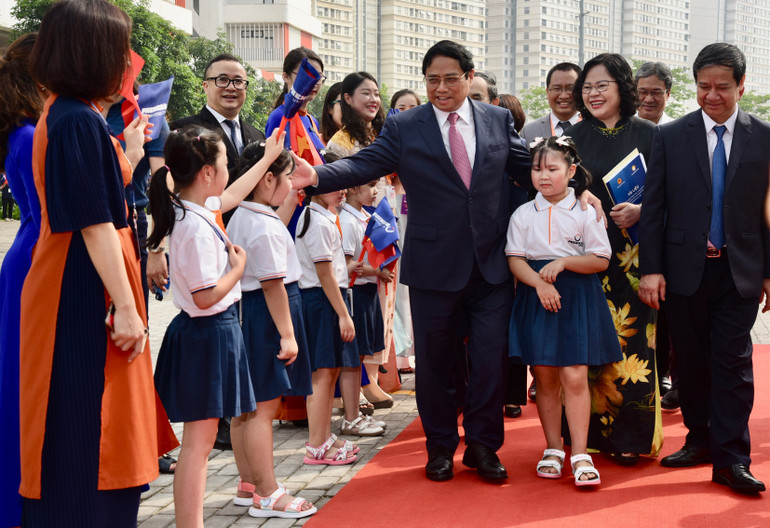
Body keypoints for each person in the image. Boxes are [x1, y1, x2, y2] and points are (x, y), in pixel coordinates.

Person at [292, 40, 536, 482]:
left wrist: (577, 187)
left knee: (488, 362)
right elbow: (365, 163)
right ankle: (440, 447)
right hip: (434, 266)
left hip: (490, 267)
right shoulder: (407, 126)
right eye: (431, 80)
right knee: (437, 364)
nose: (440, 88)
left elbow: (529, 168)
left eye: (449, 78)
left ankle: (483, 447)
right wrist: (318, 176)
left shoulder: (497, 120)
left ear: (468, 75)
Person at [19, 2, 178, 525]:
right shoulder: (75, 120)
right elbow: (93, 224)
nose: (127, 64)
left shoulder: (72, 115)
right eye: (118, 49)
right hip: (82, 289)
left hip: (77, 279)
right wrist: (129, 307)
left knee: (88, 435)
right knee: (89, 437)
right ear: (91, 52)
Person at [639, 42, 770, 495]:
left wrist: (768, 273)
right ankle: (699, 440)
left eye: (722, 87)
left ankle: (733, 458)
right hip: (683, 270)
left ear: (741, 85)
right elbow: (653, 208)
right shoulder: (670, 136)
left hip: (740, 271)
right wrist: (651, 269)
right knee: (690, 362)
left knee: (733, 365)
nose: (712, 96)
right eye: (703, 87)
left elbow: (768, 213)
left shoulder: (764, 136)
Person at [147, 125, 284, 527]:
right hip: (208, 331)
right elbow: (206, 295)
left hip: (210, 331)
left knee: (200, 443)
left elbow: (232, 195)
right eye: (225, 162)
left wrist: (265, 159)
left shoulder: (194, 210)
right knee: (199, 445)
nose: (228, 170)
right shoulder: (193, 225)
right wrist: (238, 269)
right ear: (207, 172)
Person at [507, 135, 621, 487]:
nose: (543, 176)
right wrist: (539, 284)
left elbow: (601, 259)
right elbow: (515, 259)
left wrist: (565, 262)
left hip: (577, 297)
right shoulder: (523, 213)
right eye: (537, 169)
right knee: (543, 376)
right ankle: (553, 448)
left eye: (552, 169)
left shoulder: (586, 211)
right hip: (537, 295)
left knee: (575, 375)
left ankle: (581, 453)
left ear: (571, 171)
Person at [568, 53, 661, 465]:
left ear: (622, 86)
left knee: (635, 347)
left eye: (601, 85)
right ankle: (585, 438)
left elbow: (670, 195)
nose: (593, 94)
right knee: (586, 345)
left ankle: (631, 438)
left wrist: (643, 210)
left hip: (635, 257)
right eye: (587, 87)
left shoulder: (651, 135)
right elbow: (546, 189)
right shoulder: (570, 138)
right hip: (583, 257)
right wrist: (575, 195)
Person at [171, 52, 265, 447]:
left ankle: (238, 403)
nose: (231, 87)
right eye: (222, 79)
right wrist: (157, 248)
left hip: (250, 241)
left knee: (246, 325)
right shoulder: (184, 132)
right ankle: (222, 415)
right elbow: (164, 192)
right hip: (207, 249)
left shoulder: (257, 132)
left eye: (239, 81)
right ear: (205, 84)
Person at [226, 142, 316, 518]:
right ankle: (267, 492)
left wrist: (295, 191)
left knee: (244, 410)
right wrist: (288, 333)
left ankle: (249, 483)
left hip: (252, 313)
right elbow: (272, 285)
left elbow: (278, 214)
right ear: (266, 179)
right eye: (287, 176)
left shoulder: (246, 213)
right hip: (268, 315)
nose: (293, 182)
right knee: (264, 408)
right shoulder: (261, 225)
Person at [326, 71, 394, 421]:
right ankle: (354, 387)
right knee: (358, 311)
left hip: (379, 223)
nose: (373, 99)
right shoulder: (340, 141)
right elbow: (333, 187)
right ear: (347, 99)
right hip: (352, 226)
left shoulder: (381, 134)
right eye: (364, 93)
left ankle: (369, 378)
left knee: (379, 310)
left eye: (377, 93)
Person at [0, 32, 44, 528]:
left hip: (29, 254)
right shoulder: (32, 134)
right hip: (35, 257)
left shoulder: (29, 130)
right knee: (22, 388)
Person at [295, 184, 360, 465]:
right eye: (335, 186)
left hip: (326, 299)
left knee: (330, 372)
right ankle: (317, 443)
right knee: (322, 375)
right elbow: (325, 274)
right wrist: (343, 313)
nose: (342, 191)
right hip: (322, 300)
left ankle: (322, 437)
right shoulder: (318, 221)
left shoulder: (323, 217)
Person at [339, 178, 390, 435]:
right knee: (353, 357)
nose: (375, 191)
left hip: (367, 290)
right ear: (352, 188)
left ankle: (355, 411)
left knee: (360, 355)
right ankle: (352, 412)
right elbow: (349, 266)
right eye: (370, 186)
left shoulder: (363, 216)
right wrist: (377, 271)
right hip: (355, 293)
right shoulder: (347, 221)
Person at [520, 62, 582, 142]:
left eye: (571, 89)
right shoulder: (528, 132)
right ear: (547, 91)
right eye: (557, 88)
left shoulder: (596, 129)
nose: (563, 96)